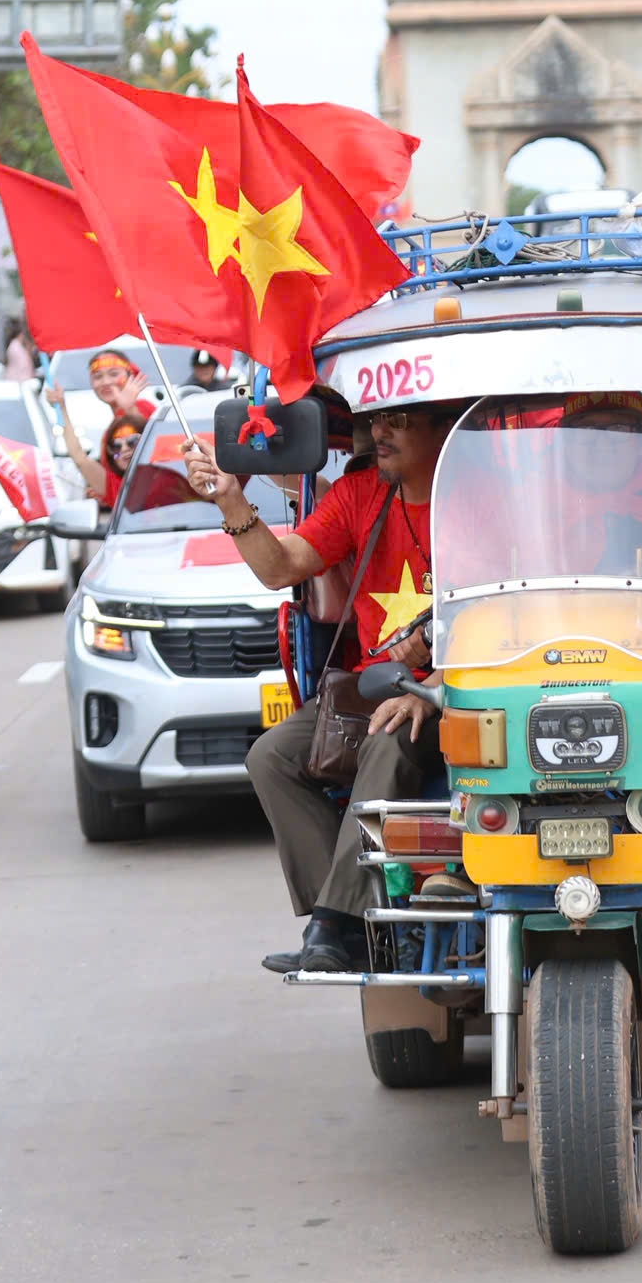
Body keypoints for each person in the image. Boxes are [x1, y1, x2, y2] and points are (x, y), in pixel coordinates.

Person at [187, 402, 458, 974]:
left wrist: (429, 686)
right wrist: (232, 500)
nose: (380, 432)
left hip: (464, 691)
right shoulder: (360, 494)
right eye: (377, 420)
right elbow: (281, 568)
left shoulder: (480, 500)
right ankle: (344, 920)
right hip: (372, 685)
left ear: (443, 427)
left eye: (401, 421)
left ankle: (333, 923)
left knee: (389, 736)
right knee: (271, 756)